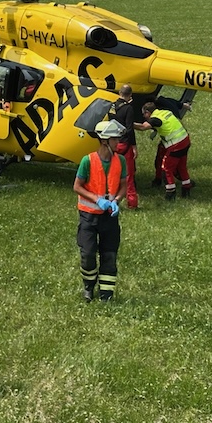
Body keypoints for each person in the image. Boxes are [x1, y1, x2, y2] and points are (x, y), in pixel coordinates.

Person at [73, 120, 127, 303]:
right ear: (105, 141)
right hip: (89, 217)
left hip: (109, 218)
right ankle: (88, 287)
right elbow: (77, 186)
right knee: (88, 254)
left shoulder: (120, 161)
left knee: (109, 255)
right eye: (115, 139)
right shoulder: (87, 161)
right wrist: (97, 199)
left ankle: (106, 294)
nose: (118, 142)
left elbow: (124, 186)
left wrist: (116, 200)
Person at [136, 102, 193, 200]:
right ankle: (186, 189)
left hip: (176, 145)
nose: (144, 117)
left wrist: (128, 123)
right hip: (185, 140)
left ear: (147, 112)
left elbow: (143, 127)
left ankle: (171, 193)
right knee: (182, 167)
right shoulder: (165, 112)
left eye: (144, 114)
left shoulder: (156, 119)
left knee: (166, 168)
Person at [109, 84, 138, 209]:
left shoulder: (111, 106)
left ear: (119, 92)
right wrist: (134, 146)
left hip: (113, 144)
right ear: (130, 95)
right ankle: (132, 203)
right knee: (128, 175)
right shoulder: (128, 108)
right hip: (125, 144)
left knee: (113, 174)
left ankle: (111, 200)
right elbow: (130, 129)